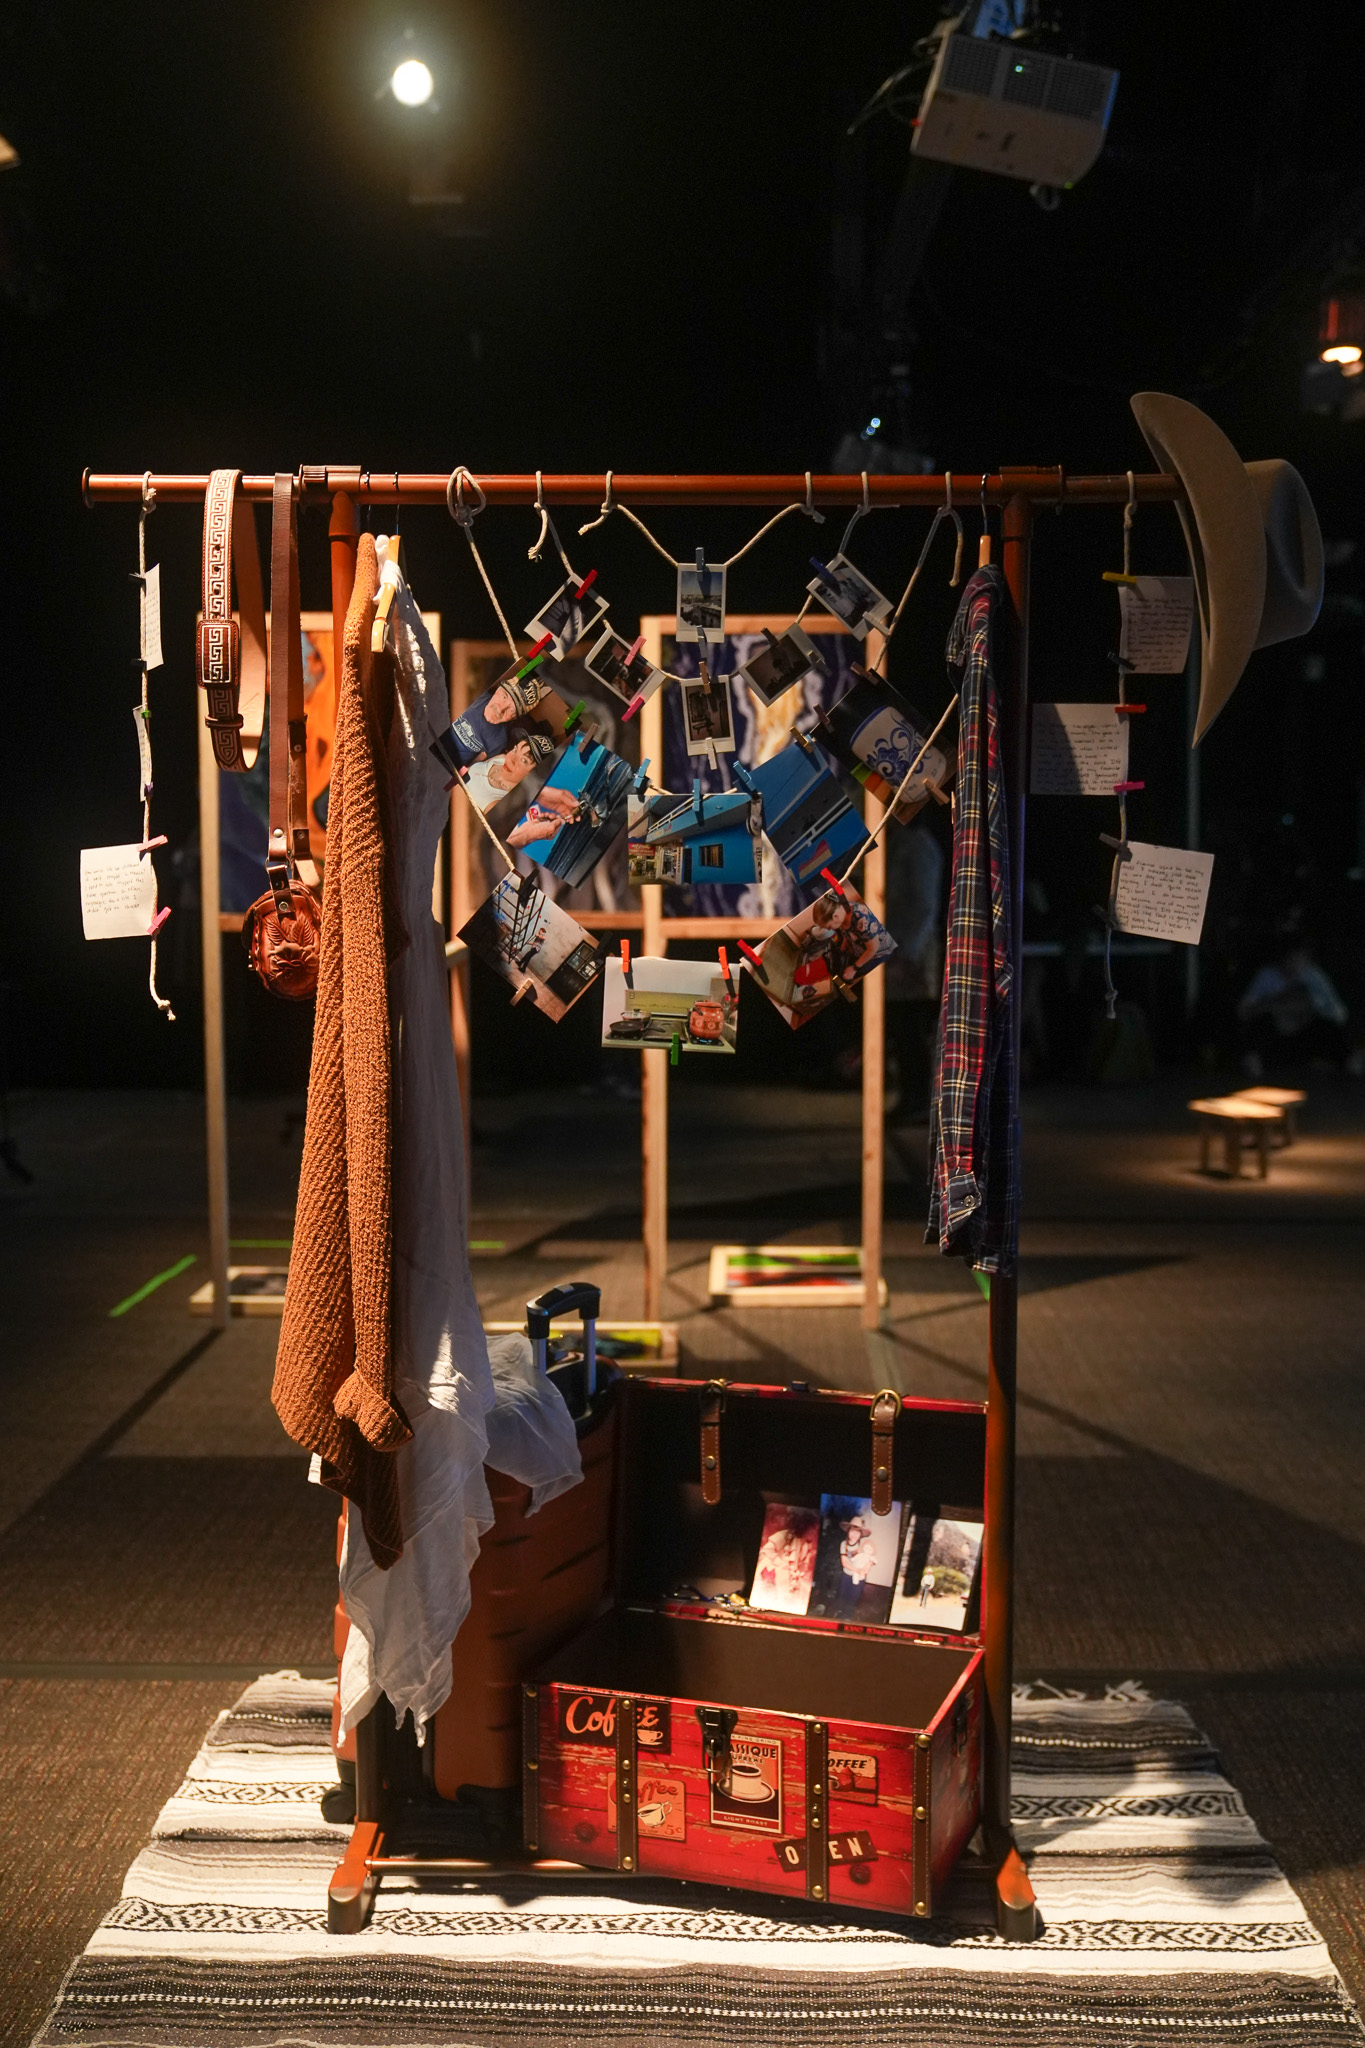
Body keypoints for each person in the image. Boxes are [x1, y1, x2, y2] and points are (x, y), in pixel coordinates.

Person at [1237, 942, 1352, 1076]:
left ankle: (1338, 1060)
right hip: (1277, 1032)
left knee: (1328, 1030)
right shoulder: (1267, 975)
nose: (1298, 965)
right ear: (1285, 958)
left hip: (1303, 1033)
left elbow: (1339, 1014)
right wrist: (1274, 1005)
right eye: (1294, 958)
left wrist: (1312, 1006)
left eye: (1303, 960)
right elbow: (1243, 1010)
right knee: (1261, 1026)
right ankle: (1255, 1061)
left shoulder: (1313, 976)